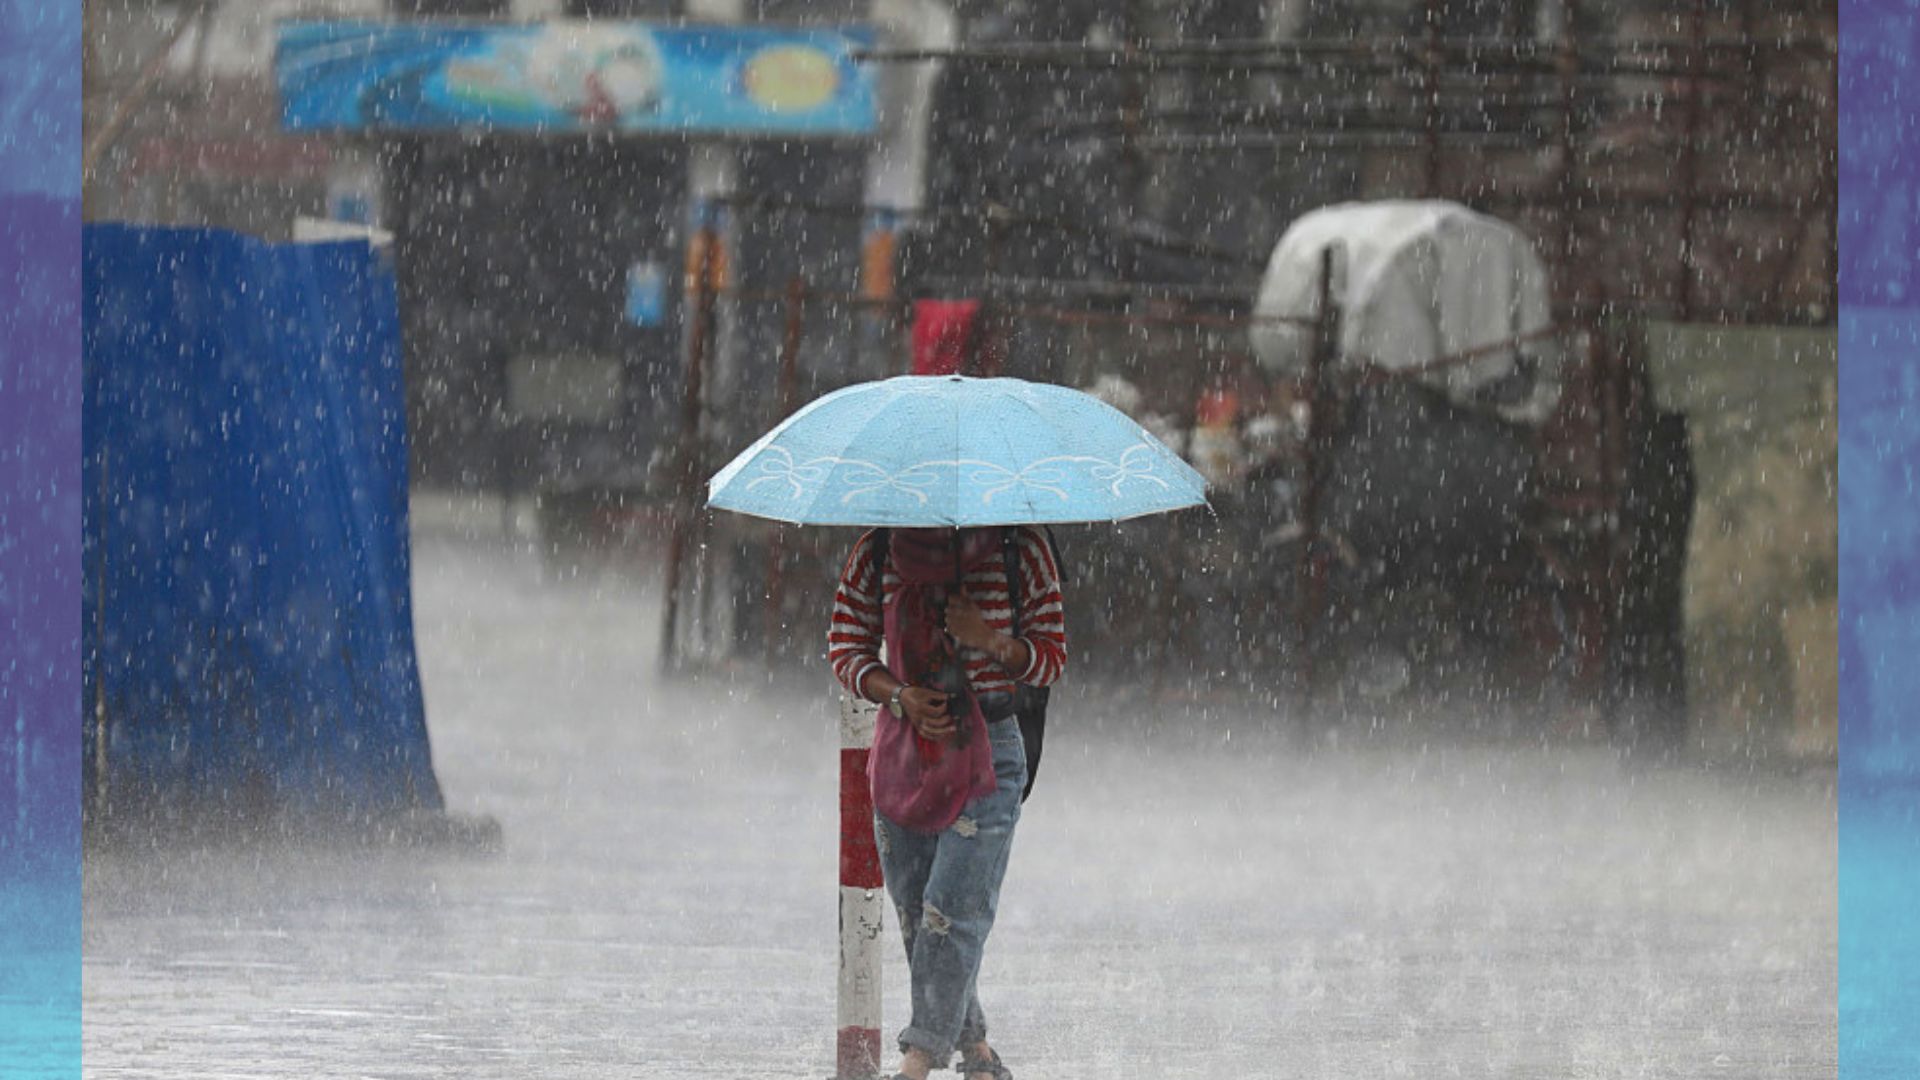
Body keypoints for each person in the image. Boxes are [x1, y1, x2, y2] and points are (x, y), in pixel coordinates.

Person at [828, 525, 1067, 1080]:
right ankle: (977, 1052)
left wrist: (989, 640)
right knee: (919, 915)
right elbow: (845, 644)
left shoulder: (1019, 547)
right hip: (903, 753)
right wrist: (899, 694)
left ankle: (918, 1060)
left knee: (952, 913)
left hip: (990, 750)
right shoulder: (879, 547)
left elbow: (1052, 657)